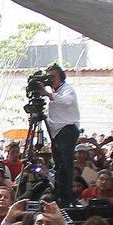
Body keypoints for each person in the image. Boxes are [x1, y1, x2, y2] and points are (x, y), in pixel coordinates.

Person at [42, 63, 81, 205]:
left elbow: (66, 101)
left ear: (61, 77)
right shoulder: (55, 91)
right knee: (59, 164)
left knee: (65, 164)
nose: (50, 80)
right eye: (48, 77)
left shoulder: (67, 89)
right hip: (57, 131)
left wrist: (48, 94)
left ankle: (65, 197)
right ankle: (58, 193)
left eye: (53, 77)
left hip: (67, 129)